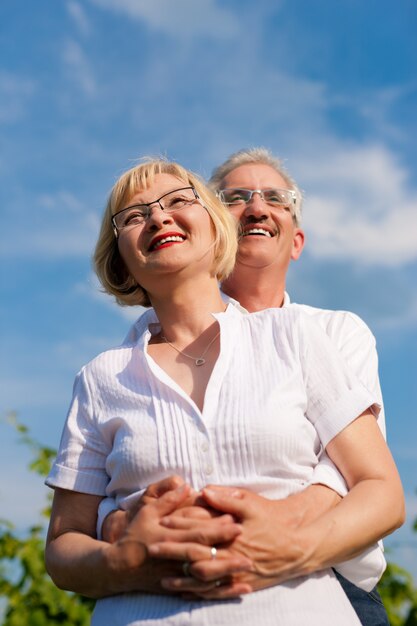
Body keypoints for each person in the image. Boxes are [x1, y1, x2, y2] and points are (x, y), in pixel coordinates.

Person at [45, 158, 404, 626]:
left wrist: (289, 547)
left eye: (177, 202)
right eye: (134, 216)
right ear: (121, 260)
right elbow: (64, 543)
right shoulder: (100, 378)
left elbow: (379, 489)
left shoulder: (300, 335)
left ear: (216, 230)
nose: (157, 217)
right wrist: (126, 557)